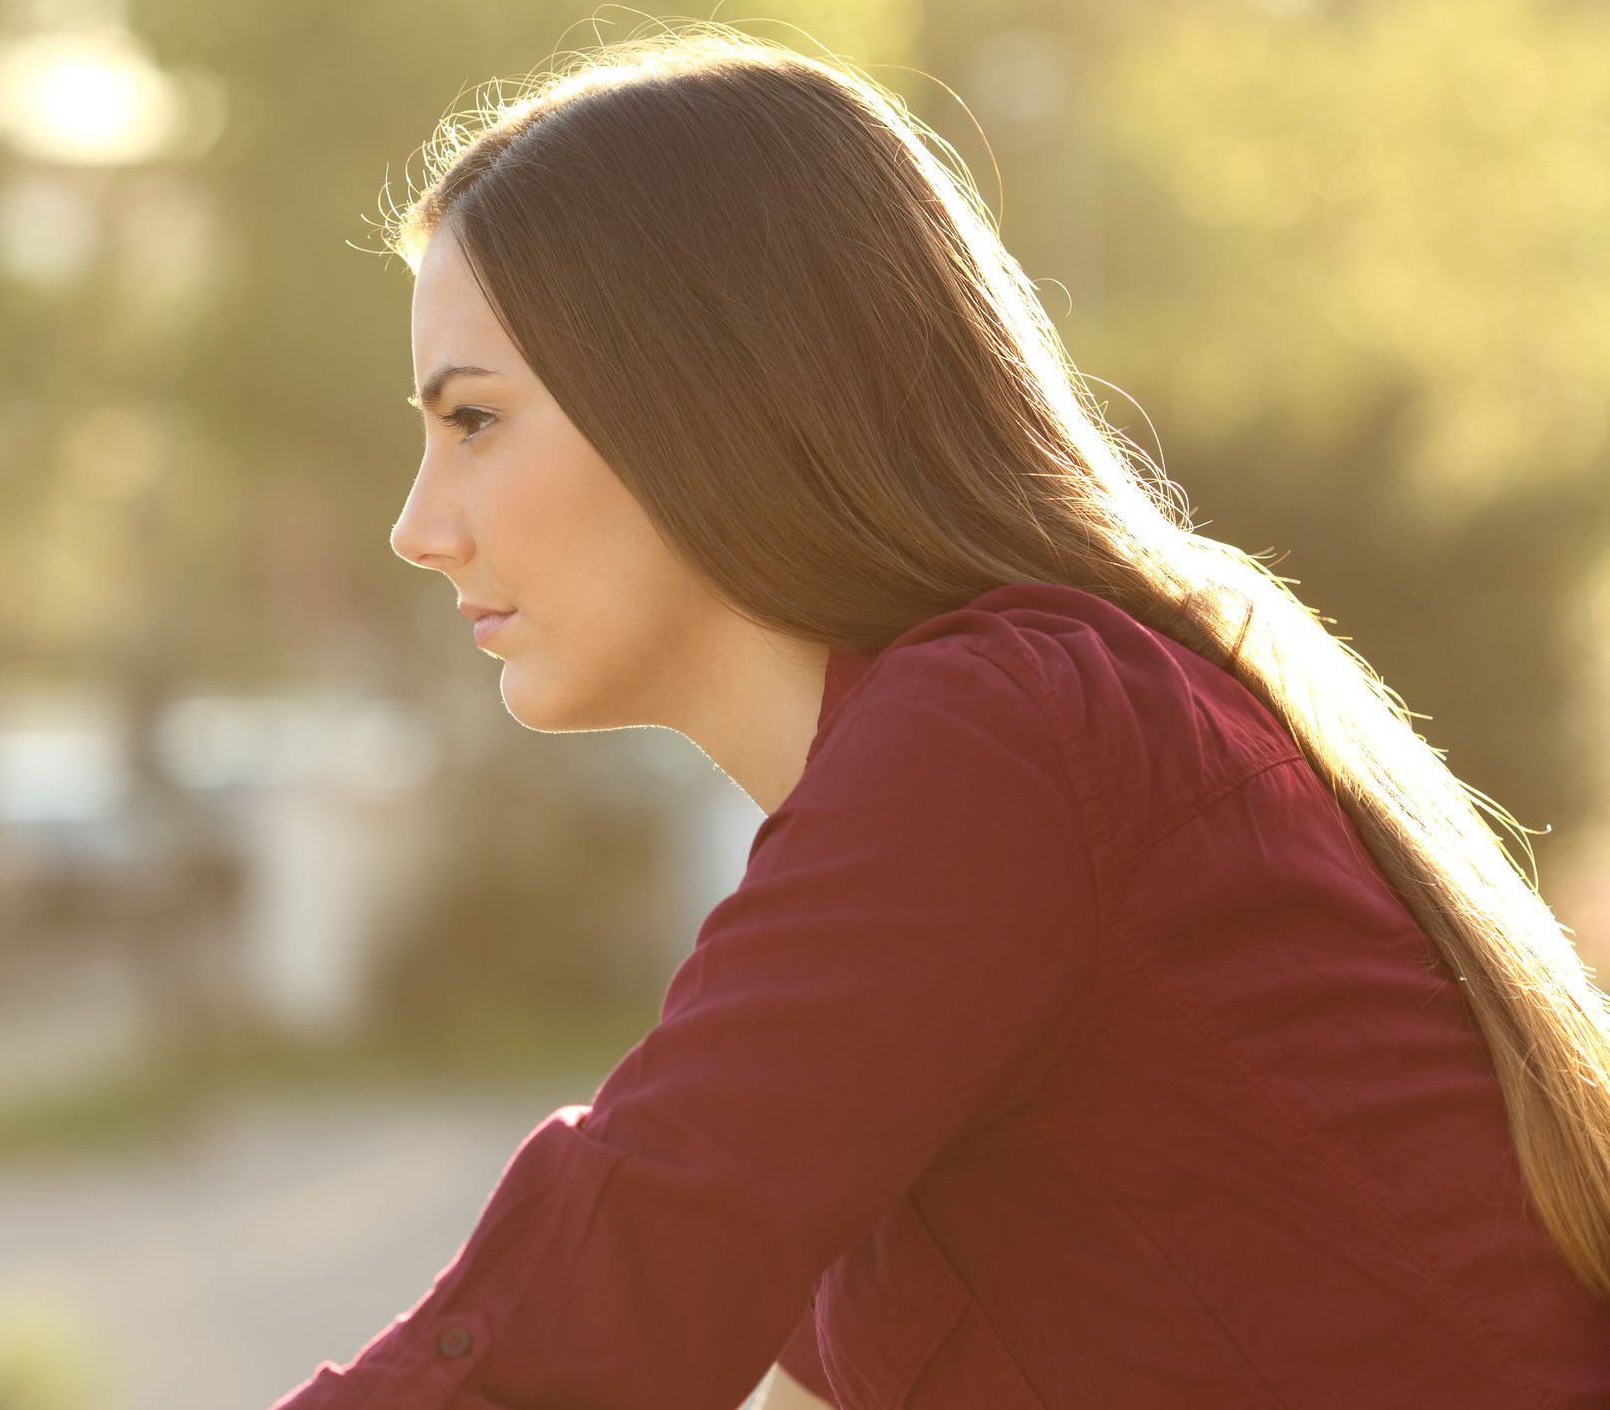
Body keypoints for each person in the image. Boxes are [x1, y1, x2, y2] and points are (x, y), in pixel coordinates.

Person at [264, 24, 1610, 1410]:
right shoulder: (979, 798)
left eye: (475, 420)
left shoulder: (1004, 736)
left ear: (708, 398)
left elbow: (596, 1298)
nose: (418, 527)